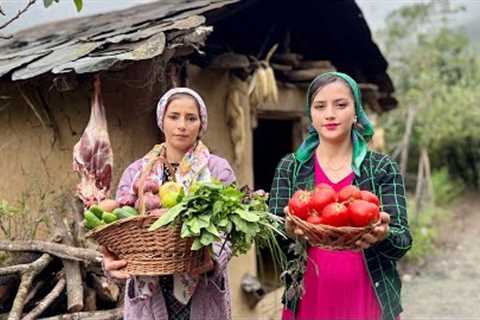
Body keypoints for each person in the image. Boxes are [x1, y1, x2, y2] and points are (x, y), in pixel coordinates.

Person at [268, 72, 412, 320]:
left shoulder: (381, 168)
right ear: (310, 115)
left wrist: (384, 235)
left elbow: (403, 241)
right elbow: (270, 236)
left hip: (368, 297)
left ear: (356, 112)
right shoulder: (290, 167)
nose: (330, 114)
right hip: (309, 297)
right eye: (320, 106)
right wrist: (288, 231)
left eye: (341, 105)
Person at [101, 88, 236, 320]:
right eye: (174, 116)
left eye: (191, 118)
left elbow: (229, 231)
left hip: (202, 287)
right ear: (161, 120)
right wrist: (110, 263)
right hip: (149, 292)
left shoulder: (216, 170)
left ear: (201, 123)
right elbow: (121, 228)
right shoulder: (137, 173)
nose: (182, 125)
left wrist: (212, 259)